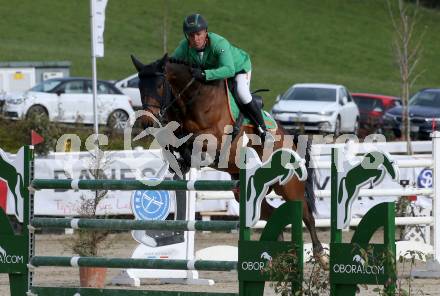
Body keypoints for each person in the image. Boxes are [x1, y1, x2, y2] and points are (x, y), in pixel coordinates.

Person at [172, 13, 272, 143]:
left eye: (199, 34)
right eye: (191, 35)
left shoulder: (219, 44)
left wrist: (204, 74)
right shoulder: (184, 46)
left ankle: (263, 130)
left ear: (205, 32)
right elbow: (172, 64)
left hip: (238, 68)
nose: (196, 39)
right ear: (187, 36)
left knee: (242, 93)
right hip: (215, 71)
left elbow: (229, 70)